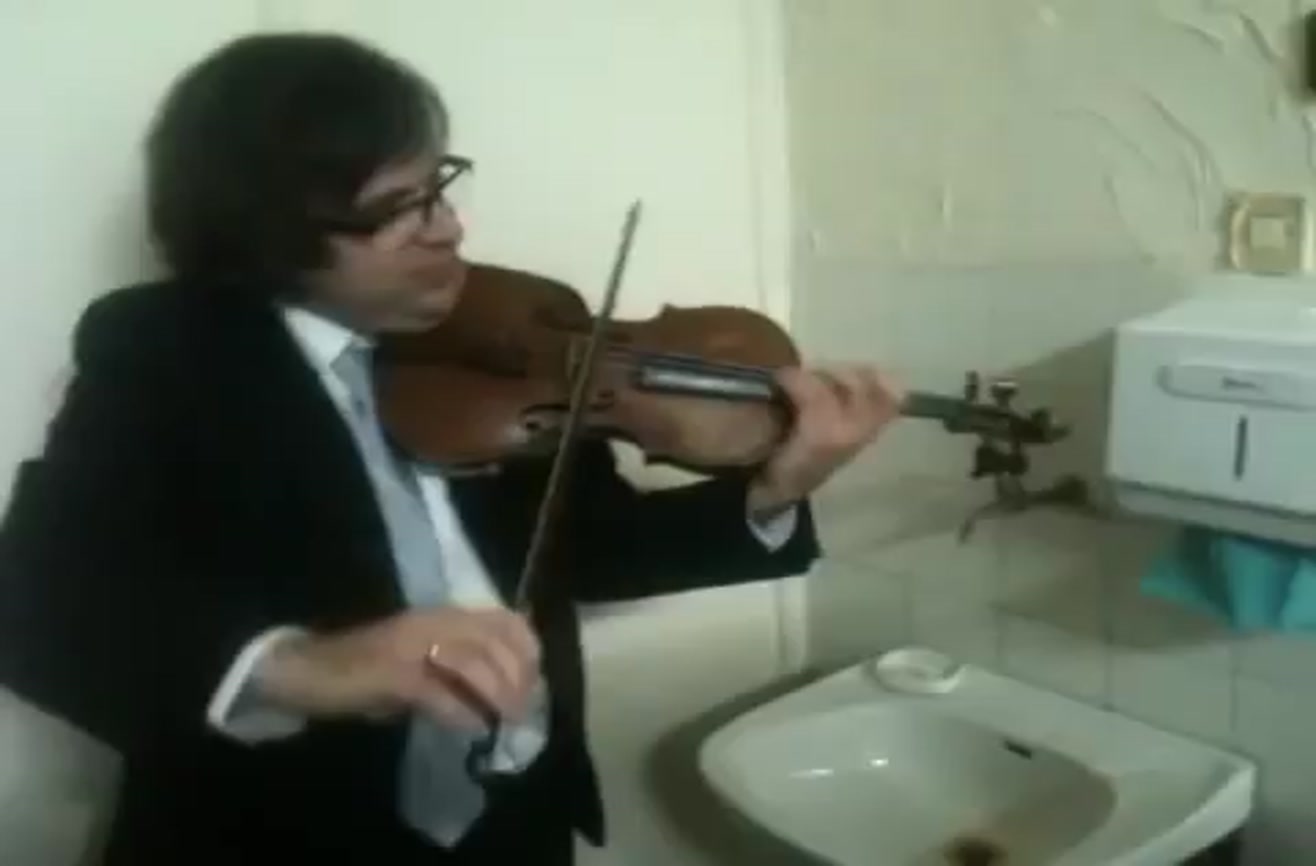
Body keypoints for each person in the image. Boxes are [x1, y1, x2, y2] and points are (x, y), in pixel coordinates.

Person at [0, 32, 901, 866]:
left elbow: (596, 545)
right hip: (281, 841)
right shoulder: (167, 353)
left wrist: (776, 489)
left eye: (437, 188)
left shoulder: (504, 334)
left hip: (517, 827)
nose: (449, 230)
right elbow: (37, 606)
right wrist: (308, 667)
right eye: (394, 211)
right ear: (266, 231)